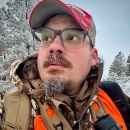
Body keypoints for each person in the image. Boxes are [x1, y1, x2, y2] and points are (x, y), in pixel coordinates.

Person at [0, 0, 128, 130]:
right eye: (46, 37)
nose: (54, 46)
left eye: (71, 37)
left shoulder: (118, 102)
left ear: (93, 57)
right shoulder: (6, 110)